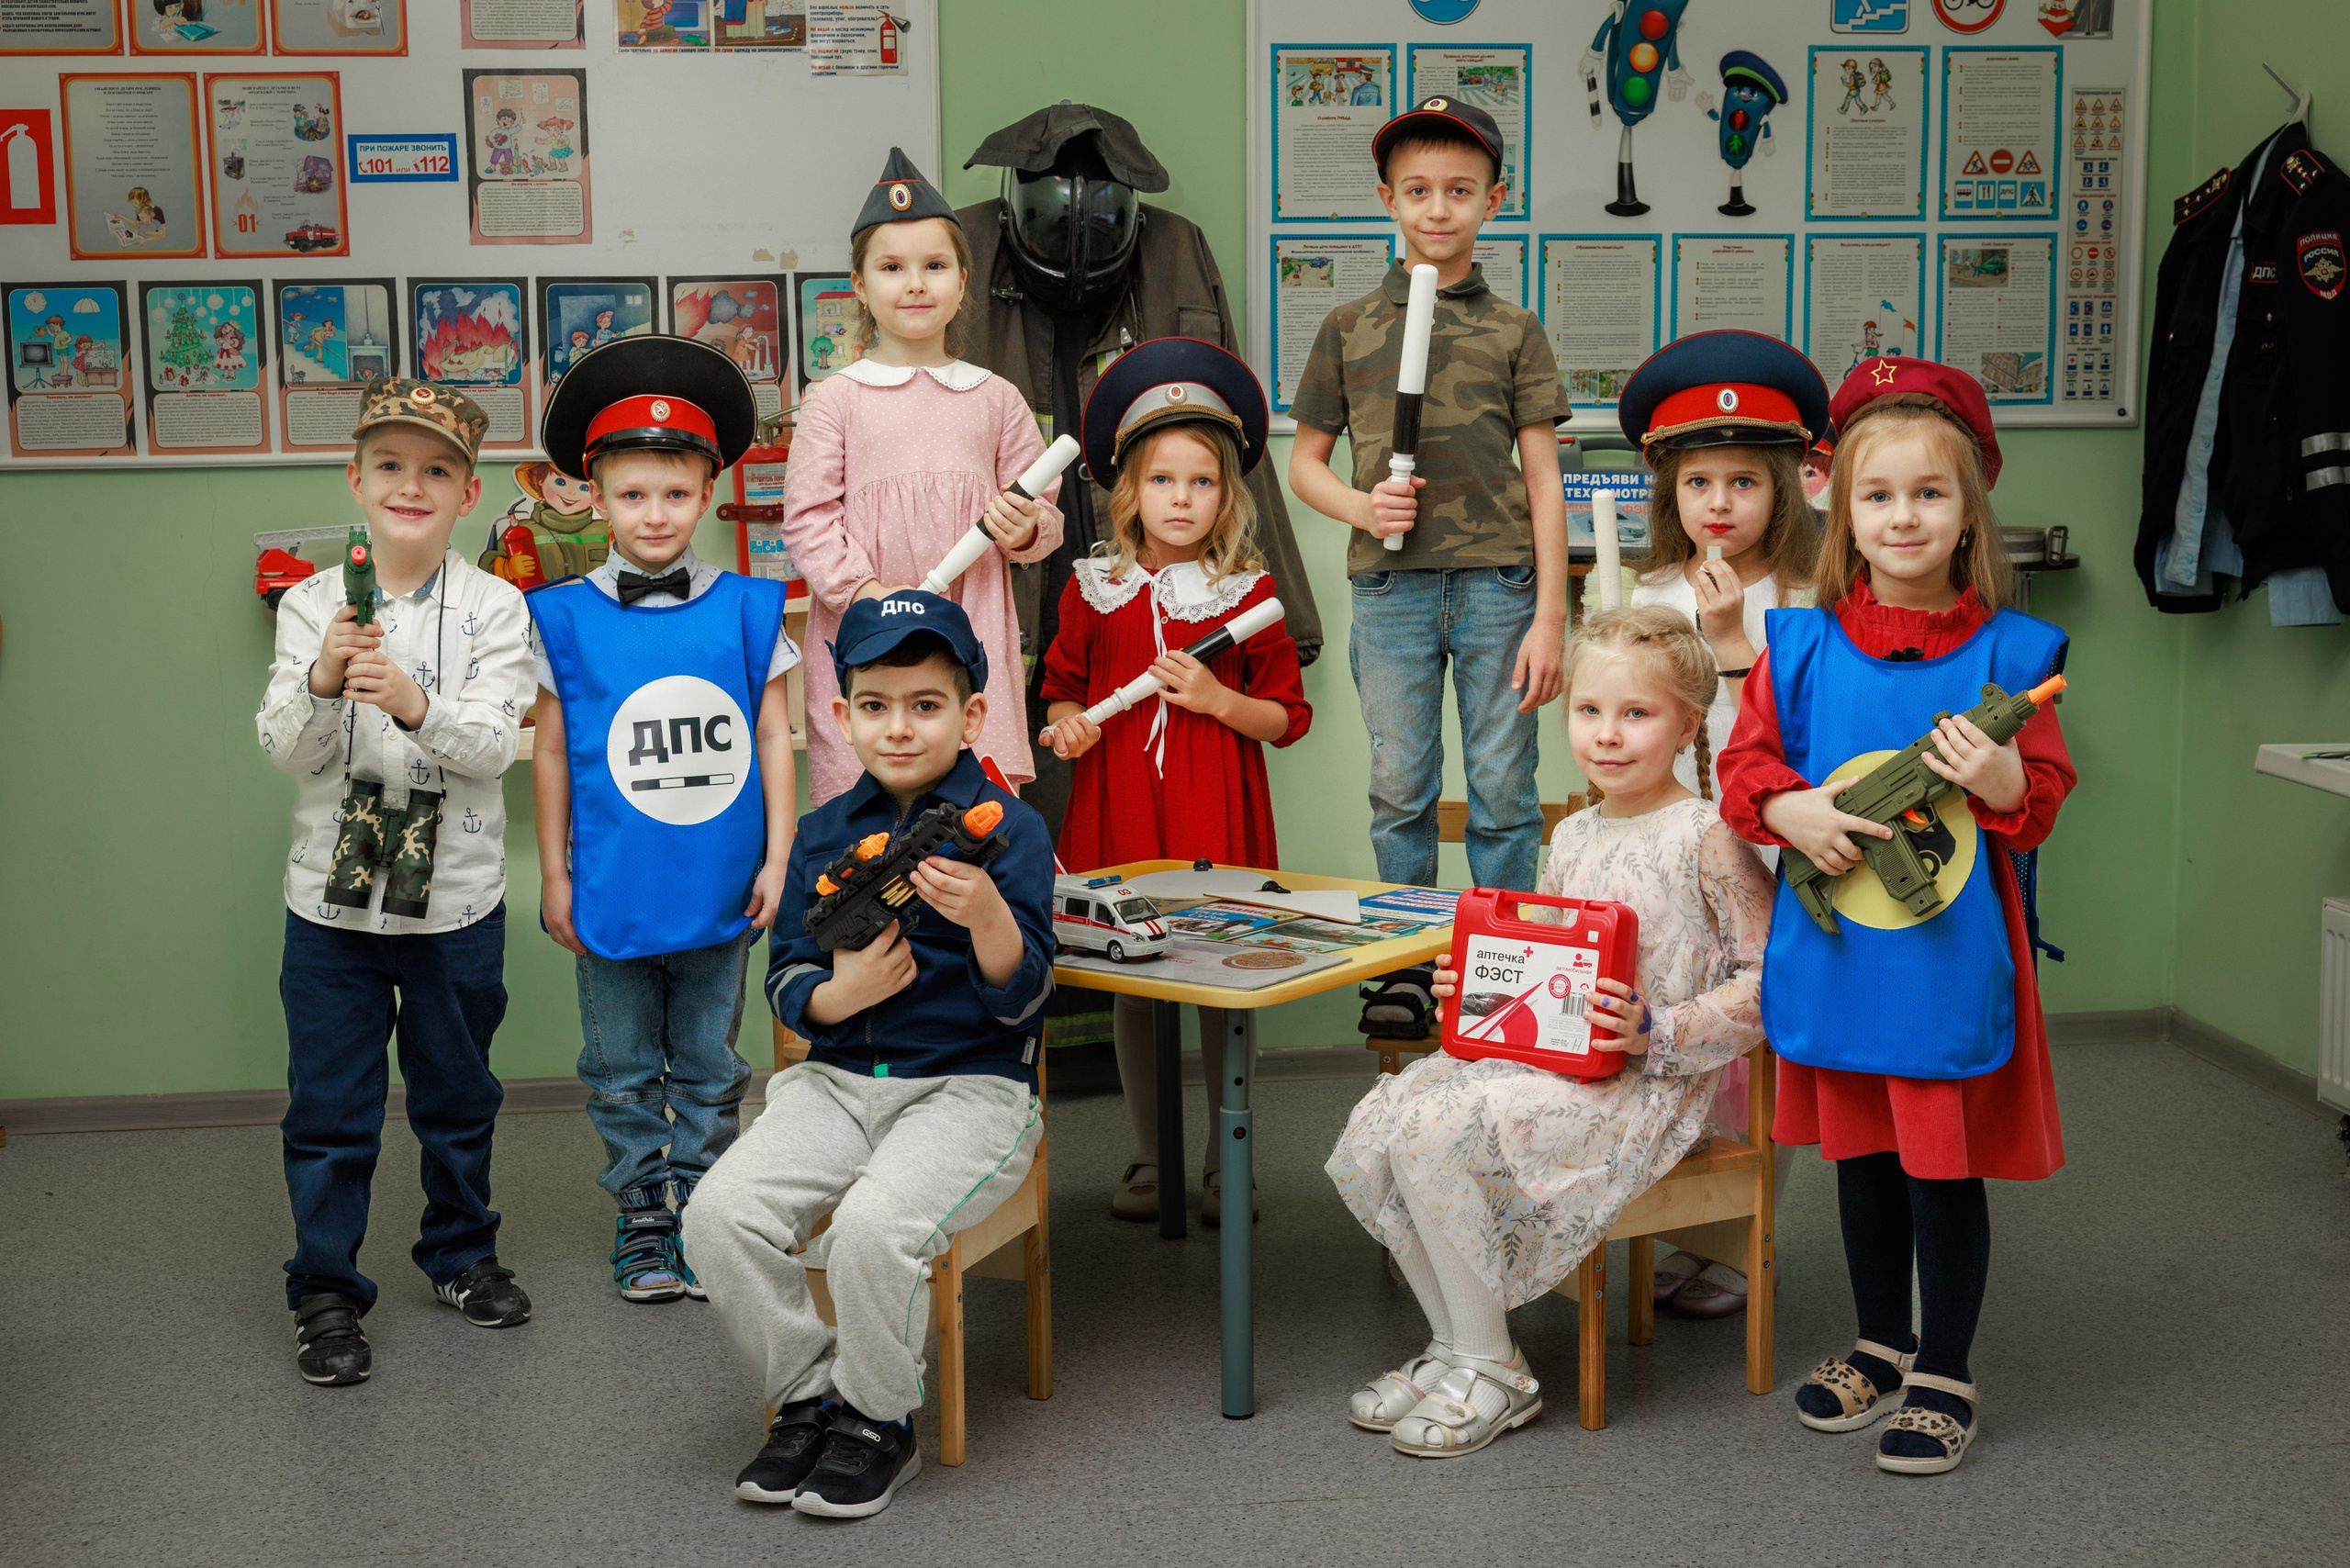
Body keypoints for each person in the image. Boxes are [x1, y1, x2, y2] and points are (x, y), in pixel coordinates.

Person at [1717, 356, 2075, 1476]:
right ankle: (1879, 1341)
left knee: (1938, 1160)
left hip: (1945, 956)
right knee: (1862, 1156)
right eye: (1879, 494)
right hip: (1836, 951)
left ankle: (1945, 1367)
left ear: (1969, 510)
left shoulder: (2014, 657)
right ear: (1840, 508)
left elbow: (2046, 797)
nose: (1903, 515)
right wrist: (1794, 806)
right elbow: (1744, 770)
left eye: (1930, 492)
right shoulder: (1799, 645)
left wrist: (2010, 785)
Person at [1326, 606, 1773, 1459]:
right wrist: (1478, 992)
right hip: (1552, 1067)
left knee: (1433, 1131)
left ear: (1687, 723)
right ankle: (1458, 1346)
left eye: (1636, 714)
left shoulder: (1711, 837)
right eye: (1590, 712)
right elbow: (1548, 964)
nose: (1607, 735)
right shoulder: (1569, 835)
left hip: (1649, 1089)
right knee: (1388, 1118)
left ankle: (1494, 1366)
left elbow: (1771, 983)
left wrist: (1660, 1029)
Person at [684, 590, 1054, 1519]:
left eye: (926, 704)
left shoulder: (1008, 830)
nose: (899, 727)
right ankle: (810, 1397)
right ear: (840, 715)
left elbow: (1030, 993)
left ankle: (878, 1420)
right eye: (876, 705)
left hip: (968, 1088)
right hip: (835, 1082)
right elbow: (785, 978)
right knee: (717, 1216)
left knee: (871, 1231)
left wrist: (987, 917)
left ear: (972, 715)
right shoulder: (818, 834)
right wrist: (838, 996)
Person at [255, 378, 536, 1386]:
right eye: (389, 466)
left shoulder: (501, 607)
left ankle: (461, 1253)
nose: (409, 484)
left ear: (467, 490)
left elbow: (500, 744)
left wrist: (417, 703)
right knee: (329, 1103)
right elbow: (286, 749)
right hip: (328, 909)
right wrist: (325, 682)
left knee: (458, 1093)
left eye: (435, 469)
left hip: (456, 900)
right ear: (356, 479)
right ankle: (325, 1287)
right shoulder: (309, 603)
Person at [1286, 96, 1570, 1038]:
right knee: (1399, 787)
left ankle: (1507, 966)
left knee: (1502, 790)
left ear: (1494, 199)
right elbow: (1305, 468)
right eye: (1417, 191)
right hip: (1391, 591)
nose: (1437, 209)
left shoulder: (1514, 331)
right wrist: (1364, 507)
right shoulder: (1348, 327)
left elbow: (1540, 479)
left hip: (1498, 590)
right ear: (1387, 199)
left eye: (1459, 190)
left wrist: (1551, 616)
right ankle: (1404, 969)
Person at [528, 335, 802, 1303]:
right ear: (594, 498)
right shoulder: (557, 617)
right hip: (610, 882)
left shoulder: (747, 609)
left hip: (720, 878)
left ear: (707, 494)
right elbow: (554, 748)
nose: (655, 514)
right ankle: (643, 1208)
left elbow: (774, 738)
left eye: (675, 494)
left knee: (707, 1056)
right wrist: (556, 874)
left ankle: (702, 1202)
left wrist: (779, 854)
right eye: (634, 494)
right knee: (617, 1062)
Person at [1035, 339, 1311, 1225]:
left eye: (1202, 482)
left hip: (1211, 809)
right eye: (1163, 481)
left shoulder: (1247, 594)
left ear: (1228, 493)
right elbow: (1061, 695)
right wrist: (1066, 728)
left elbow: (1285, 720)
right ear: (1129, 492)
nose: (1182, 499)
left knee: (1221, 976)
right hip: (1121, 811)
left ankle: (1229, 1157)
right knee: (1135, 979)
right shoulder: (1093, 588)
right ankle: (1151, 1154)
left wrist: (1218, 698)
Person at [1617, 330, 1827, 1318]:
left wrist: (1737, 637)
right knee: (1679, 1035)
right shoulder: (1644, 593)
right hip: (1670, 854)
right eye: (1698, 480)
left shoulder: (1813, 597)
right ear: (1670, 490)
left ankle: (1742, 1244)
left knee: (1756, 1047)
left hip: (1772, 850)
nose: (1718, 503)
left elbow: (1803, 735)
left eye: (1744, 480)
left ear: (1785, 488)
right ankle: (1682, 1227)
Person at [781, 147, 1063, 806]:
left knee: (975, 819)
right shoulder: (835, 399)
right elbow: (809, 519)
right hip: (865, 629)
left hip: (971, 625)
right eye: (892, 268)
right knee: (867, 823)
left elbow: (1044, 516)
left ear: (962, 281)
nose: (914, 283)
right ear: (858, 285)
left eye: (934, 266)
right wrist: (869, 595)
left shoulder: (995, 399)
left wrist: (1025, 527)